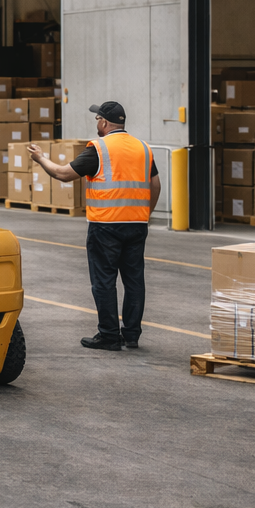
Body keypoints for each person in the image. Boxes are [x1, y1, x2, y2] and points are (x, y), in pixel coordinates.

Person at [27, 100, 160, 351]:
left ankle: (109, 335)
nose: (97, 124)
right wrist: (144, 214)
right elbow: (155, 185)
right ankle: (131, 335)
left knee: (104, 281)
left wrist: (41, 159)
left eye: (97, 119)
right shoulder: (144, 148)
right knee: (134, 281)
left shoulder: (99, 148)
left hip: (106, 225)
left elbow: (63, 174)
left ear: (104, 122)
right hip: (136, 225)